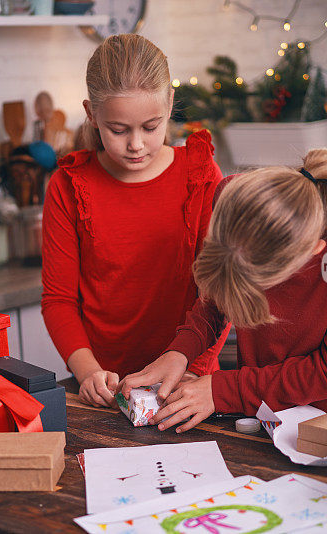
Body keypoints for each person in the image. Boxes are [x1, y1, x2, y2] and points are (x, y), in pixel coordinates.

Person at [119, 147, 327, 432]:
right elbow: (218, 297)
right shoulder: (234, 197)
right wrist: (180, 352)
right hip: (262, 415)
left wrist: (224, 390)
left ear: (312, 252)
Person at [41, 34, 228, 408]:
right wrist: (87, 372)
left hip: (189, 382)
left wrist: (194, 366)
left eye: (150, 126)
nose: (137, 144)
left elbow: (222, 287)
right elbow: (58, 300)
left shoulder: (201, 173)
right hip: (107, 391)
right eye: (118, 130)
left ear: (170, 104)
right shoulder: (68, 186)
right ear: (91, 113)